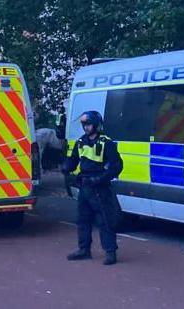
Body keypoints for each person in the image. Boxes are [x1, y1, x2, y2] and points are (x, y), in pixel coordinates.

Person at [63, 111, 124, 266]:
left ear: (96, 124)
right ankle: (84, 249)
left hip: (99, 188)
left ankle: (110, 252)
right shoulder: (81, 142)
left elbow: (116, 166)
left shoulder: (106, 143)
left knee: (104, 219)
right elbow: (73, 160)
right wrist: (66, 167)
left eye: (88, 124)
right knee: (82, 219)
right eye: (84, 124)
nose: (86, 127)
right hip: (84, 186)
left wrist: (100, 179)